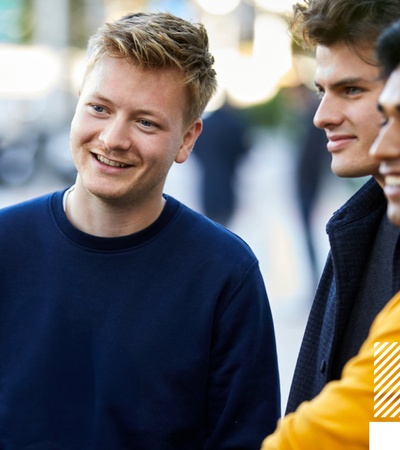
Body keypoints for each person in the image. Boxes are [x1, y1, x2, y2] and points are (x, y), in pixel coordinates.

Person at [0, 12, 280, 449]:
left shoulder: (226, 274)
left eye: (146, 122)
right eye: (99, 108)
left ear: (187, 139)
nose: (113, 138)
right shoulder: (5, 245)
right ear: (78, 103)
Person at [260, 19, 400, 449]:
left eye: (352, 90)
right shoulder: (366, 225)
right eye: (322, 91)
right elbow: (385, 421)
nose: (322, 117)